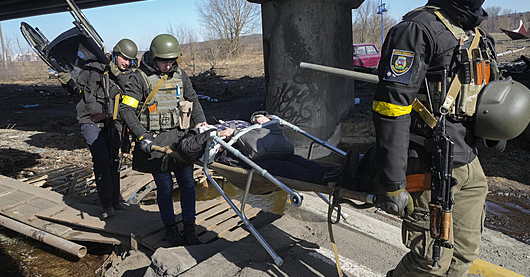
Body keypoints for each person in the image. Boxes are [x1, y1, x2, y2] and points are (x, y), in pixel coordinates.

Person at [369, 0, 505, 277]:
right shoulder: (417, 30)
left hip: (469, 163)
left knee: (463, 255)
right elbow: (390, 109)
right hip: (428, 163)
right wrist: (392, 181)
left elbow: (487, 94)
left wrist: (495, 132)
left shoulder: (476, 37)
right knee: (430, 259)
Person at [119, 34, 207, 247]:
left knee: (187, 184)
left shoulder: (180, 74)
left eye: (172, 60)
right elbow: (126, 109)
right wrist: (142, 136)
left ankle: (189, 227)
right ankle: (170, 228)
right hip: (156, 143)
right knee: (165, 187)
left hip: (179, 139)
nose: (168, 65)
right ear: (154, 57)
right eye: (164, 61)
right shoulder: (139, 78)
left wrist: (202, 124)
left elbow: (192, 99)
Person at [59, 38, 138, 220]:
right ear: (116, 54)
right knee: (101, 159)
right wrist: (67, 82)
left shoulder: (127, 76)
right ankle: (106, 204)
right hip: (91, 121)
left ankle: (116, 200)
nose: (127, 63)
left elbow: (131, 90)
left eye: (130, 61)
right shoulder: (94, 67)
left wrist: (117, 73)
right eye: (124, 59)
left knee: (114, 161)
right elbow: (77, 88)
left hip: (114, 123)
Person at [177, 111, 349, 186]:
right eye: (201, 124)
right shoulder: (198, 135)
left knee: (295, 160)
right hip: (244, 157)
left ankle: (338, 172)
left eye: (204, 122)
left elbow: (252, 119)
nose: (204, 123)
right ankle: (326, 178)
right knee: (278, 167)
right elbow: (186, 148)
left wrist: (259, 117)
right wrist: (217, 133)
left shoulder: (226, 122)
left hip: (264, 145)